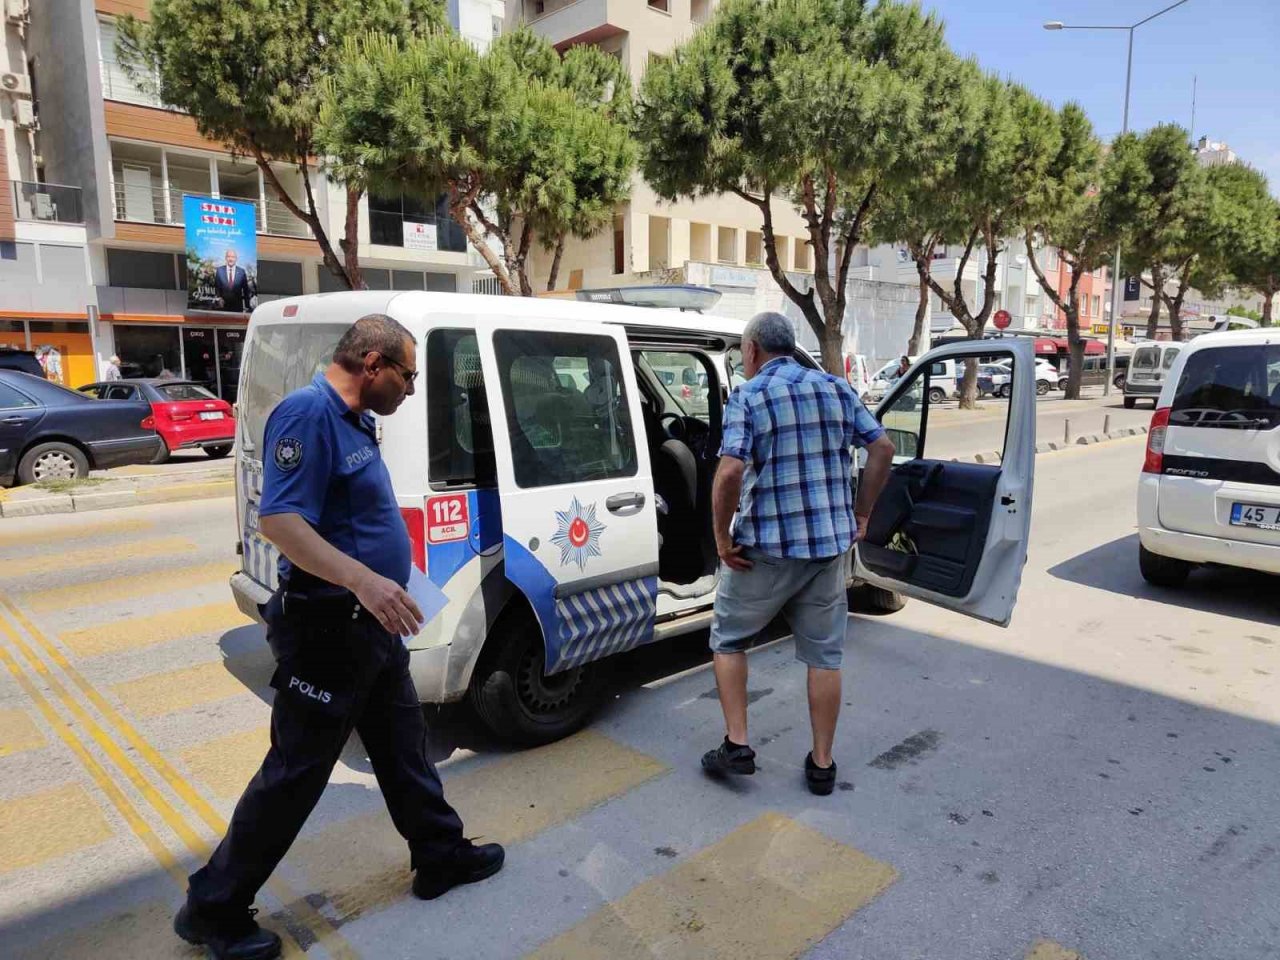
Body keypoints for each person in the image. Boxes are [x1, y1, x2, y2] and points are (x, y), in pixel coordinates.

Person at [174, 314, 503, 960]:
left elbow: (351, 519)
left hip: (370, 630)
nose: (411, 389)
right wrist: (365, 582)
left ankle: (439, 853)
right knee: (296, 772)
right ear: (373, 362)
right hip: (329, 630)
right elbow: (281, 519)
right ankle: (212, 908)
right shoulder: (307, 415)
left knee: (405, 748)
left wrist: (389, 582)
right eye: (408, 375)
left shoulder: (356, 421)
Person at [701, 311, 895, 796]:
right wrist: (862, 514)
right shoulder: (835, 388)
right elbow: (884, 449)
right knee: (824, 657)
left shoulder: (749, 395)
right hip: (827, 552)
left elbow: (727, 474)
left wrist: (723, 541)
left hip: (764, 550)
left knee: (728, 639)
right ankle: (823, 764)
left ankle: (738, 745)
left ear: (752, 351)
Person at [214, 248, 253, 313]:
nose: (230, 259)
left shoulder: (241, 272)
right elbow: (217, 288)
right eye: (228, 256)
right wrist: (219, 299)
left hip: (237, 308)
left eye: (233, 257)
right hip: (222, 307)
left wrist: (247, 306)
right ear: (226, 258)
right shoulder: (219, 270)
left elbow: (246, 291)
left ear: (236, 259)